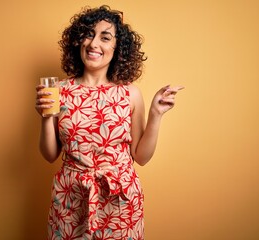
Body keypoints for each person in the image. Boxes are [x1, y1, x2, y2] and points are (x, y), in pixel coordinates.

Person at [35, 5, 183, 239]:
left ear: (117, 48)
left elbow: (141, 157)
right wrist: (45, 118)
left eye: (105, 37)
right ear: (77, 41)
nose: (94, 44)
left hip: (120, 200)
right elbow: (50, 154)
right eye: (88, 34)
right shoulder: (59, 91)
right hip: (71, 198)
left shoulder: (130, 93)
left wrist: (156, 113)